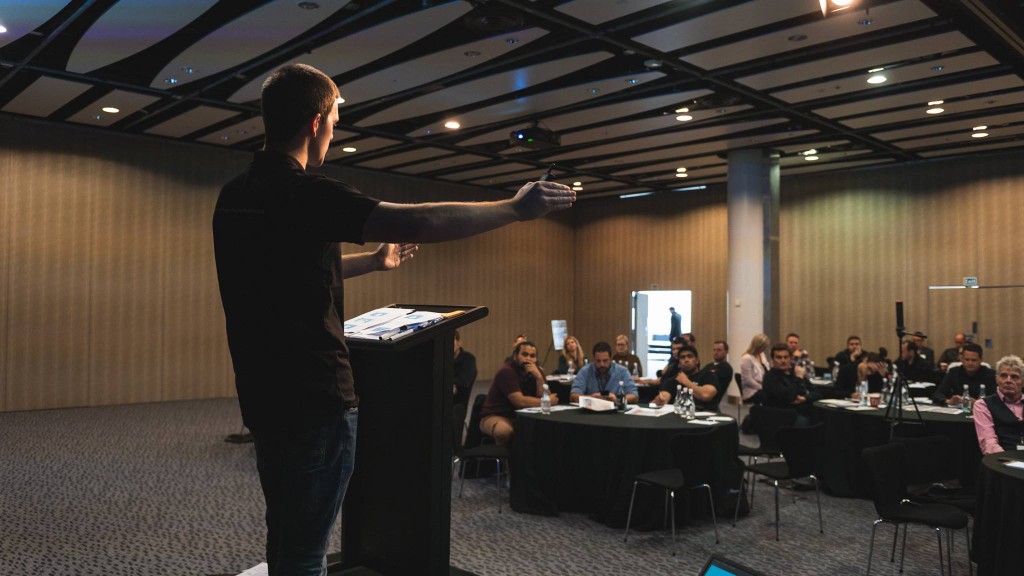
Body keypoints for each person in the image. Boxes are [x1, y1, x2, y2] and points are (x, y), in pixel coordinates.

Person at [212, 63, 574, 576]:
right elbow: (418, 219)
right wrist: (513, 208)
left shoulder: (237, 195)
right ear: (316, 122)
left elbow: (294, 265)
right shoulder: (306, 192)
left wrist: (373, 262)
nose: (334, 131)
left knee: (288, 529)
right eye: (335, 119)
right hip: (316, 400)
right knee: (305, 549)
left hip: (263, 394)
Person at [480, 340, 558, 447]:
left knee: (549, 430)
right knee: (504, 431)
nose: (528, 359)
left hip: (523, 417)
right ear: (515, 356)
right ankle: (504, 462)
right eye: (524, 354)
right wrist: (547, 401)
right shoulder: (507, 371)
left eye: (532, 356)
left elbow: (542, 396)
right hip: (497, 415)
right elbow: (519, 402)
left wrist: (539, 378)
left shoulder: (537, 371)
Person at [973, 355, 1024, 455]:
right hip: (1002, 460)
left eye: (1014, 377)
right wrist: (1009, 461)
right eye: (1003, 376)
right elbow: (988, 443)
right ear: (996, 379)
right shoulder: (983, 405)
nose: (1008, 380)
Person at [653, 344, 725, 411]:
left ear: (697, 360)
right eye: (682, 357)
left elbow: (706, 395)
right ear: (679, 363)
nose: (686, 360)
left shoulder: (708, 376)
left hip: (706, 417)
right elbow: (665, 396)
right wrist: (661, 400)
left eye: (690, 356)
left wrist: (686, 382)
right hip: (680, 418)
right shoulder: (672, 380)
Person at [763, 343, 819, 425]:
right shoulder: (770, 377)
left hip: (804, 409)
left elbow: (817, 392)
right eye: (779, 357)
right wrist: (799, 378)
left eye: (786, 357)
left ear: (790, 358)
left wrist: (804, 398)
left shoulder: (794, 372)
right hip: (784, 415)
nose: (783, 360)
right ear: (772, 359)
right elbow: (790, 397)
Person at [569, 341, 638, 404]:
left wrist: (617, 399)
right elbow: (573, 396)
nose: (602, 364)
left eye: (605, 361)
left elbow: (634, 396)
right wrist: (591, 398)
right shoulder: (585, 371)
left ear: (611, 359)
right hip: (591, 413)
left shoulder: (622, 371)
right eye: (598, 361)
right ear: (593, 359)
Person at [739, 333, 770, 403]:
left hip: (764, 386)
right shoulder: (746, 358)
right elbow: (747, 380)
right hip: (752, 390)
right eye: (762, 347)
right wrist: (762, 388)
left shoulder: (762, 355)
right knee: (769, 397)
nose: (764, 349)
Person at [452, 330, 477, 408]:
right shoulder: (440, 359)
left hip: (458, 403)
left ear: (459, 343)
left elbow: (464, 382)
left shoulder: (468, 359)